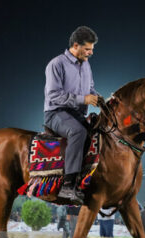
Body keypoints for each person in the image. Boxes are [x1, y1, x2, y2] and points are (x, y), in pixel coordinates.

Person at [43, 26, 100, 204]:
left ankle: (87, 179)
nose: (91, 52)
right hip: (56, 113)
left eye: (92, 49)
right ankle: (68, 186)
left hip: (77, 114)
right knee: (78, 132)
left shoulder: (87, 64)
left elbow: (90, 90)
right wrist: (83, 99)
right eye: (87, 49)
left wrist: (101, 100)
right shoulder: (56, 64)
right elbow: (53, 95)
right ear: (76, 45)